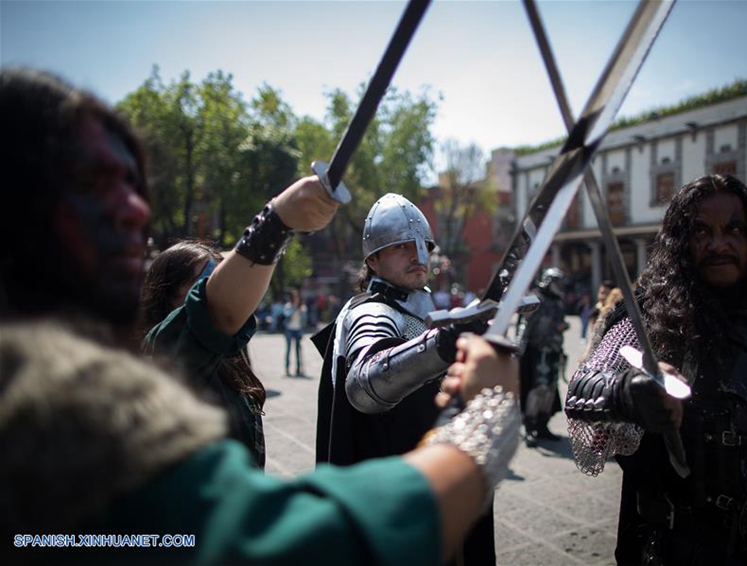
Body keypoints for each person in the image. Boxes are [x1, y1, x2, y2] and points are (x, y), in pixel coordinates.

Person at [0, 67, 522, 564]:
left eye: (132, 185)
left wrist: (277, 220)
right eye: (95, 183)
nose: (136, 208)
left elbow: (212, 315)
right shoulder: (49, 412)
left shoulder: (155, 352)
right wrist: (483, 424)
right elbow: (293, 537)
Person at [563, 174, 747, 565]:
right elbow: (584, 387)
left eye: (734, 229)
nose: (719, 244)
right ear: (680, 241)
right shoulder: (651, 316)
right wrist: (630, 392)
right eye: (701, 231)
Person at [314, 193, 496, 564]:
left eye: (423, 246)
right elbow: (365, 384)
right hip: (390, 484)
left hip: (428, 473)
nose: (418, 256)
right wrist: (443, 343)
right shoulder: (373, 312)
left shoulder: (420, 302)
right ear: (373, 259)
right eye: (401, 246)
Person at [138, 241, 268, 468]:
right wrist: (276, 223)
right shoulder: (164, 347)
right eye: (206, 280)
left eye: (220, 275)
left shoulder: (224, 352)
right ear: (169, 296)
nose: (220, 289)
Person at [516, 267, 571, 444]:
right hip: (537, 350)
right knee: (537, 389)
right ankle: (529, 427)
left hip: (553, 350)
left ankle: (542, 425)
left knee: (549, 389)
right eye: (557, 282)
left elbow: (557, 322)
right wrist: (519, 347)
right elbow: (525, 323)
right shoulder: (535, 298)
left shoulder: (558, 301)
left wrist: (562, 326)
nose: (559, 286)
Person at [283, 289, 307, 376]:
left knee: (298, 350)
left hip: (298, 330)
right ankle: (287, 368)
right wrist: (294, 308)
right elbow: (286, 315)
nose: (297, 299)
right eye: (295, 297)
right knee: (289, 349)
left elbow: (304, 321)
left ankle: (298, 369)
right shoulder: (288, 306)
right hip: (289, 330)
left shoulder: (302, 307)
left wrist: (301, 312)